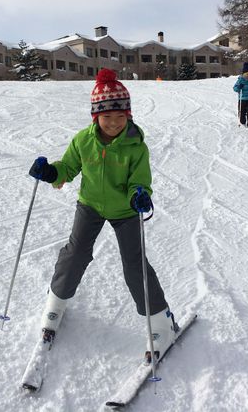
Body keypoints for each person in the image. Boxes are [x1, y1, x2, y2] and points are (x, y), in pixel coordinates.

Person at [28, 68, 178, 361]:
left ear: (129, 116)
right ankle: (56, 302)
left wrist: (139, 194)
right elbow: (67, 169)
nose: (114, 123)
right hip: (91, 205)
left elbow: (141, 179)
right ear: (96, 117)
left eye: (120, 117)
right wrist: (50, 172)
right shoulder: (83, 140)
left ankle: (161, 322)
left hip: (125, 210)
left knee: (135, 265)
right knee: (75, 253)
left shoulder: (137, 146)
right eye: (107, 117)